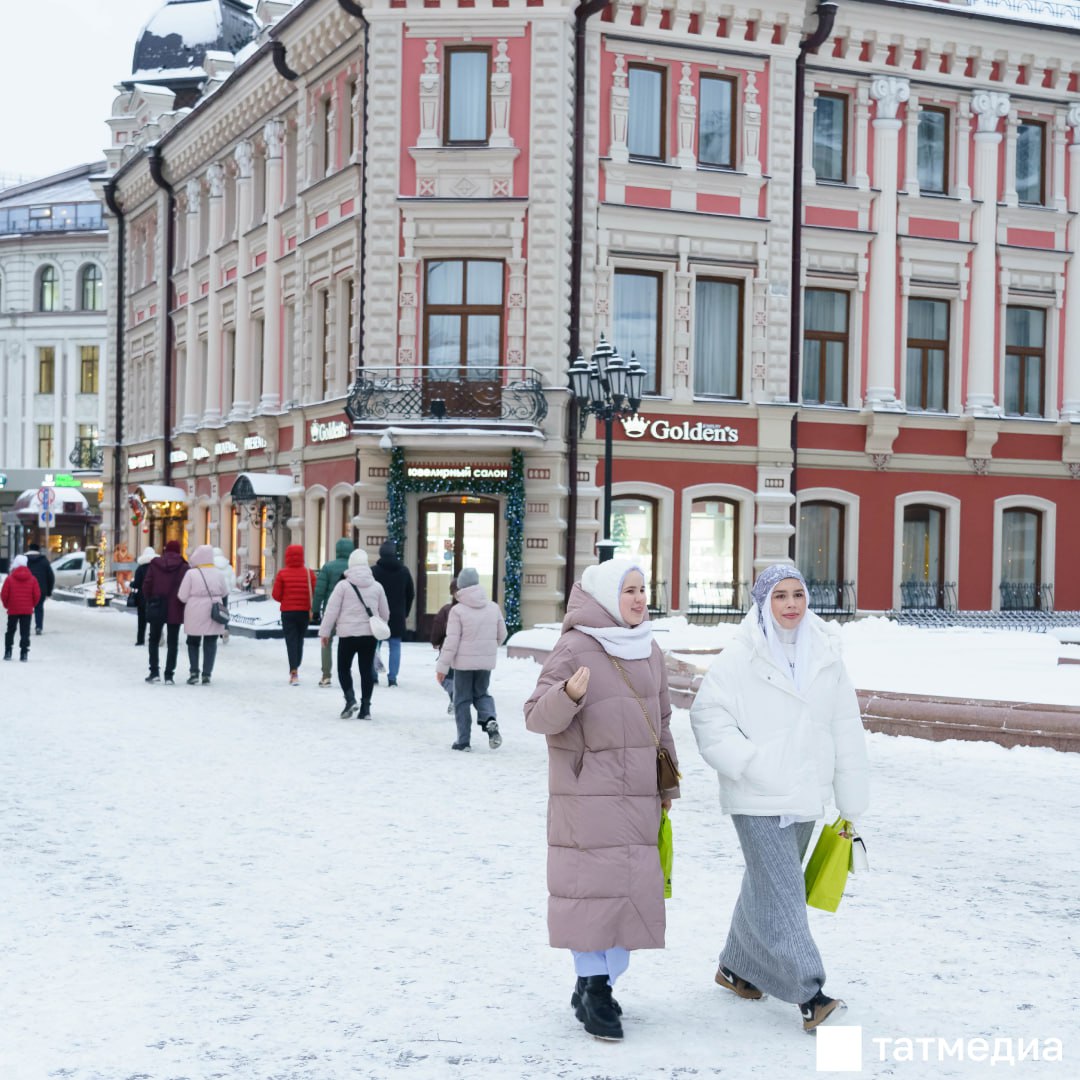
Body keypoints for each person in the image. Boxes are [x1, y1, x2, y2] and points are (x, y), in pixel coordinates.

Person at [689, 563, 870, 1033]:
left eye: (798, 594)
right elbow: (708, 715)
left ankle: (736, 968)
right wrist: (749, 763)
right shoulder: (740, 656)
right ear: (763, 603)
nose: (791, 604)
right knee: (784, 892)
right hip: (756, 795)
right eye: (780, 596)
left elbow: (845, 728)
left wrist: (850, 802)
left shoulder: (827, 656)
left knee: (767, 885)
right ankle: (811, 994)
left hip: (805, 793)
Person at [524, 558, 679, 1042]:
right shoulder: (575, 646)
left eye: (642, 589)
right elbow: (535, 716)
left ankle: (600, 979)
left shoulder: (648, 648)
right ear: (607, 597)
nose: (638, 598)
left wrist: (667, 786)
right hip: (587, 794)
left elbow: (664, 722)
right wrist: (568, 694)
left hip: (637, 796)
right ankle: (595, 989)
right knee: (591, 895)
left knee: (629, 895)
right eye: (629, 590)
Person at [435, 566, 507, 752]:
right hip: (485, 663)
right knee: (482, 693)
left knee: (462, 700)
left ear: (460, 587)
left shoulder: (457, 611)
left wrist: (442, 668)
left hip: (463, 665)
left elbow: (451, 641)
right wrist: (488, 648)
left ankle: (463, 741)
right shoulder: (493, 607)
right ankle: (490, 719)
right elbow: (503, 634)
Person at [319, 549, 389, 720]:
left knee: (343, 668)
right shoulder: (377, 586)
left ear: (351, 565)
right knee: (366, 670)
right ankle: (366, 708)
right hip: (369, 636)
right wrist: (380, 625)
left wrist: (325, 632)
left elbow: (331, 611)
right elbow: (385, 613)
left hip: (347, 635)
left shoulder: (343, 586)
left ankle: (350, 699)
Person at [176, 544, 228, 685]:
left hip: (194, 610)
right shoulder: (218, 573)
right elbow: (224, 592)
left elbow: (182, 596)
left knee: (193, 642)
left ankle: (194, 672)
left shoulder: (191, 573)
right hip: (214, 609)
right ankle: (207, 674)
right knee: (210, 642)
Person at [142, 540, 188, 684]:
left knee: (154, 639)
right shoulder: (184, 567)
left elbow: (147, 584)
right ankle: (169, 675)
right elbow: (187, 588)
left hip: (157, 605)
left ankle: (154, 672)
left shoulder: (155, 564)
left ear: (165, 550)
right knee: (173, 642)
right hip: (176, 606)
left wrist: (150, 598)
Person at [272, 544, 317, 685]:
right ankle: (296, 664)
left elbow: (276, 595)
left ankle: (294, 670)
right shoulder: (309, 574)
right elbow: (314, 592)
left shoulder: (282, 573)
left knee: (291, 641)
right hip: (304, 612)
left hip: (287, 612)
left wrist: (286, 599)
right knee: (299, 640)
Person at [371, 539, 414, 687]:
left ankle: (374, 674)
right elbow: (411, 594)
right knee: (395, 646)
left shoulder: (374, 571)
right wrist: (405, 612)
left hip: (378, 614)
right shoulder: (404, 571)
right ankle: (392, 678)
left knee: (375, 646)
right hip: (397, 615)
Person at [313, 537, 355, 687]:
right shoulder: (354, 569)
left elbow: (319, 591)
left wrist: (315, 610)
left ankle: (326, 676)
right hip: (350, 613)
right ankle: (346, 673)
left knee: (326, 641)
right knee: (348, 643)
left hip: (331, 611)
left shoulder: (328, 567)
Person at [2, 555, 42, 661]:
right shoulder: (33, 579)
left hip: (13, 609)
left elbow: (4, 594)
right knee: (25, 632)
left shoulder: (9, 579)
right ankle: (24, 653)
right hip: (26, 610)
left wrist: (7, 605)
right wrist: (31, 604)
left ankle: (8, 651)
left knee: (10, 630)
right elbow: (37, 594)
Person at [429, 576, 458, 714]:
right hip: (471, 653)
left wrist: (435, 641)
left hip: (449, 650)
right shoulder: (480, 610)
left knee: (445, 677)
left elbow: (438, 626)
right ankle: (457, 698)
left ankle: (455, 696)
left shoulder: (447, 610)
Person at [24, 543, 54, 636]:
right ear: (38, 550)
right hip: (41, 589)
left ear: (29, 549)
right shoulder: (44, 561)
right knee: (39, 608)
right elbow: (50, 577)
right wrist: (49, 591)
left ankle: (25, 627)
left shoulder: (24, 560)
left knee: (26, 609)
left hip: (26, 589)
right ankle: (39, 627)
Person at [130, 546, 156, 646]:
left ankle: (140, 640)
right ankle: (153, 638)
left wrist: (132, 584)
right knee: (154, 620)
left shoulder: (140, 568)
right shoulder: (157, 568)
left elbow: (136, 583)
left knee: (141, 620)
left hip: (142, 597)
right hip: (154, 597)